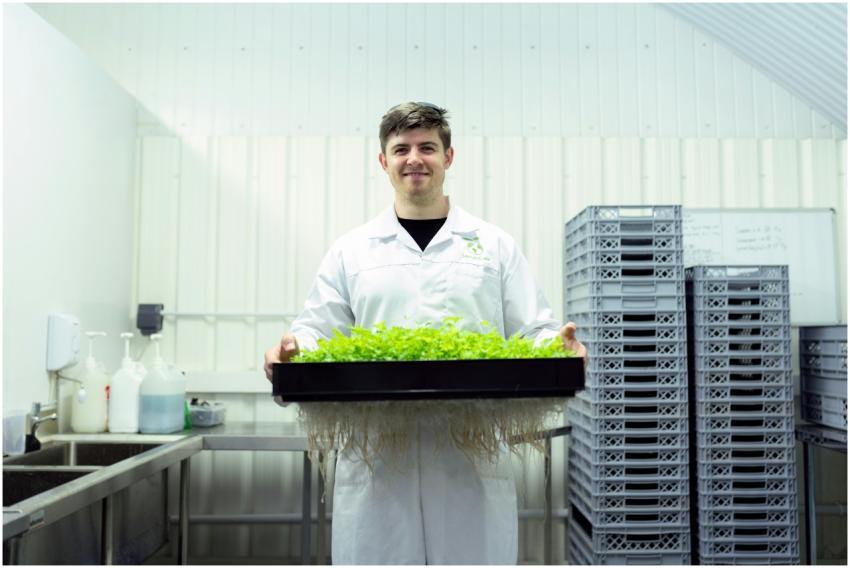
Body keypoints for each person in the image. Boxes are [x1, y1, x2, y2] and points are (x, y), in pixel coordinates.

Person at [264, 102, 586, 564]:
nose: (414, 158)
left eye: (427, 148)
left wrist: (559, 350)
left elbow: (533, 330)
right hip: (378, 459)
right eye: (401, 149)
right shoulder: (352, 250)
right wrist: (289, 353)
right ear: (384, 162)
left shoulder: (492, 245)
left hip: (469, 454)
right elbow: (316, 332)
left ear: (448, 158)